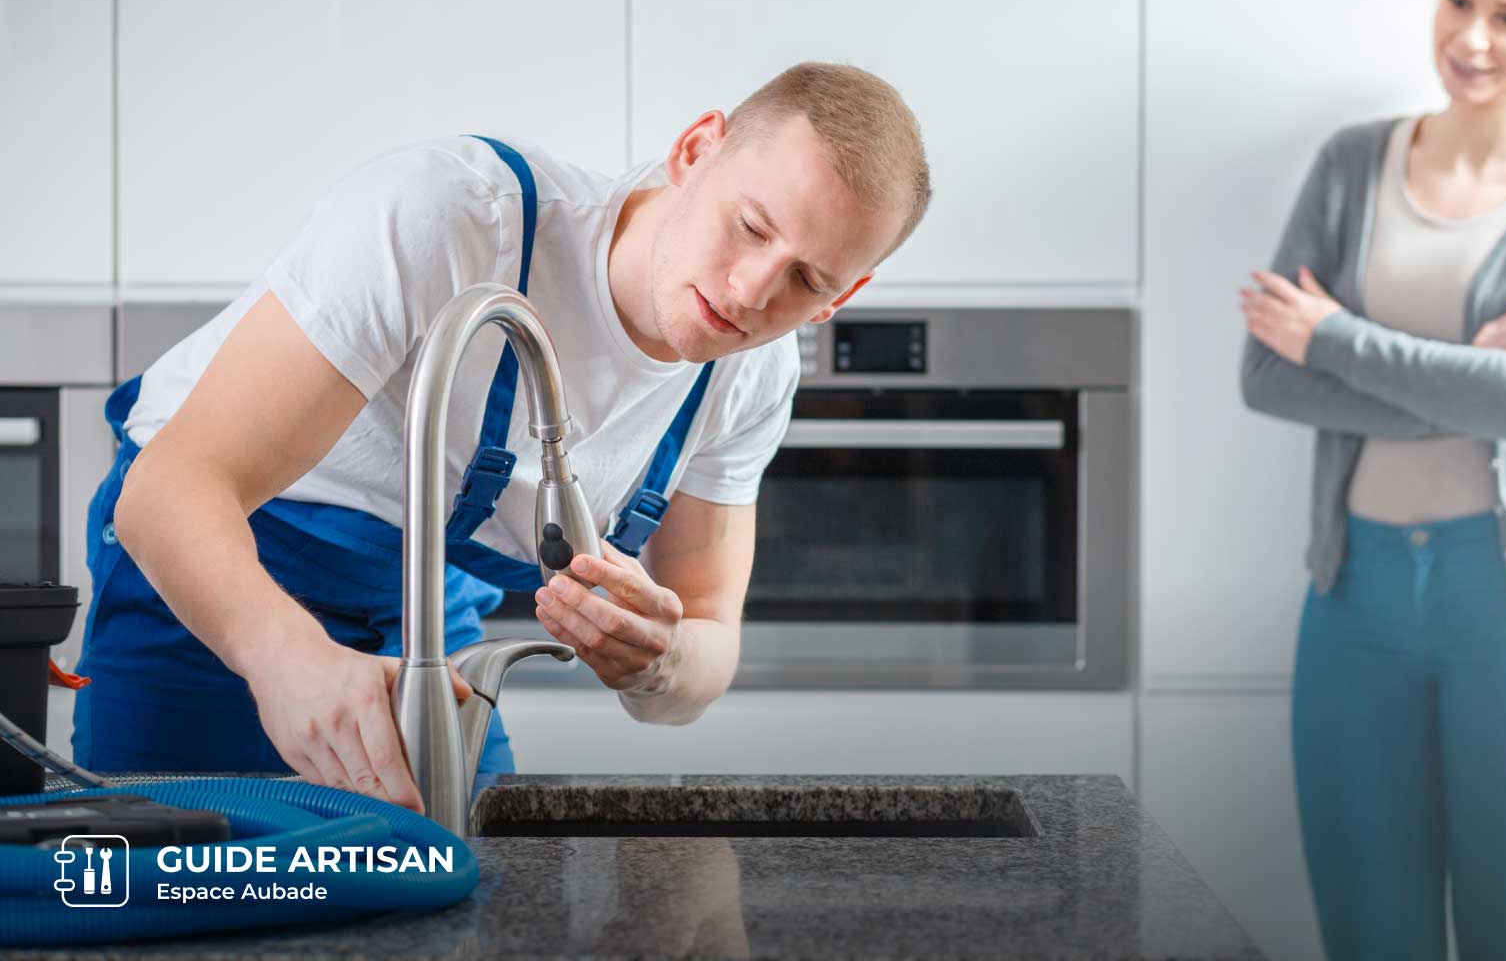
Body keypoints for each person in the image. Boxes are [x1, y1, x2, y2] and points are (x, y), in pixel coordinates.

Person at [71, 62, 932, 813]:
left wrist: (661, 660)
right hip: (211, 563)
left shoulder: (751, 377)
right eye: (750, 227)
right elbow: (172, 488)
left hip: (425, 608)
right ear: (697, 149)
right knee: (170, 891)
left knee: (468, 895)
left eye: (805, 280)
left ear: (838, 300)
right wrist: (285, 659)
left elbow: (708, 638)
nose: (750, 292)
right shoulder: (455, 214)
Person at [1239, 0, 1506, 959]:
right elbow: (1264, 376)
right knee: (1370, 939)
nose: (1471, 38)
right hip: (1352, 598)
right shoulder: (1350, 164)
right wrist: (1467, 377)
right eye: (1458, 0)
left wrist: (1334, 336)